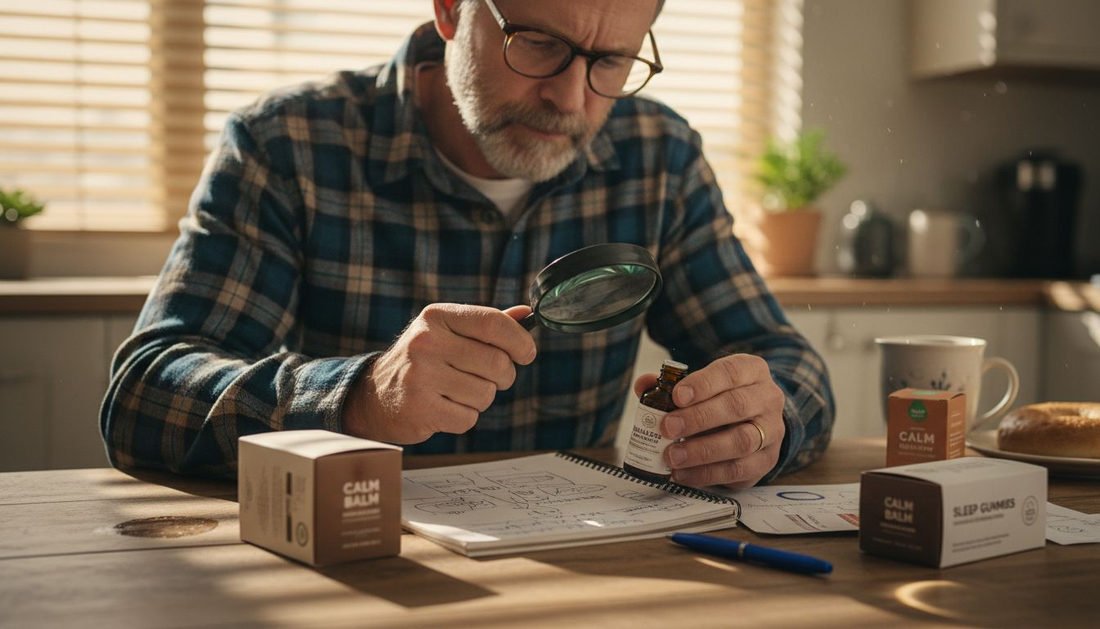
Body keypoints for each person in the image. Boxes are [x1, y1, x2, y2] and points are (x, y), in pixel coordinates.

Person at [101, 0, 835, 488]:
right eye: (539, 43)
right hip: (351, 568)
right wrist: (358, 396)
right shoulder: (285, 146)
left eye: (610, 62)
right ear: (451, 9)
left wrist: (767, 419)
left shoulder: (660, 156)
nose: (573, 100)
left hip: (580, 575)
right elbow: (143, 396)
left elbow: (786, 358)